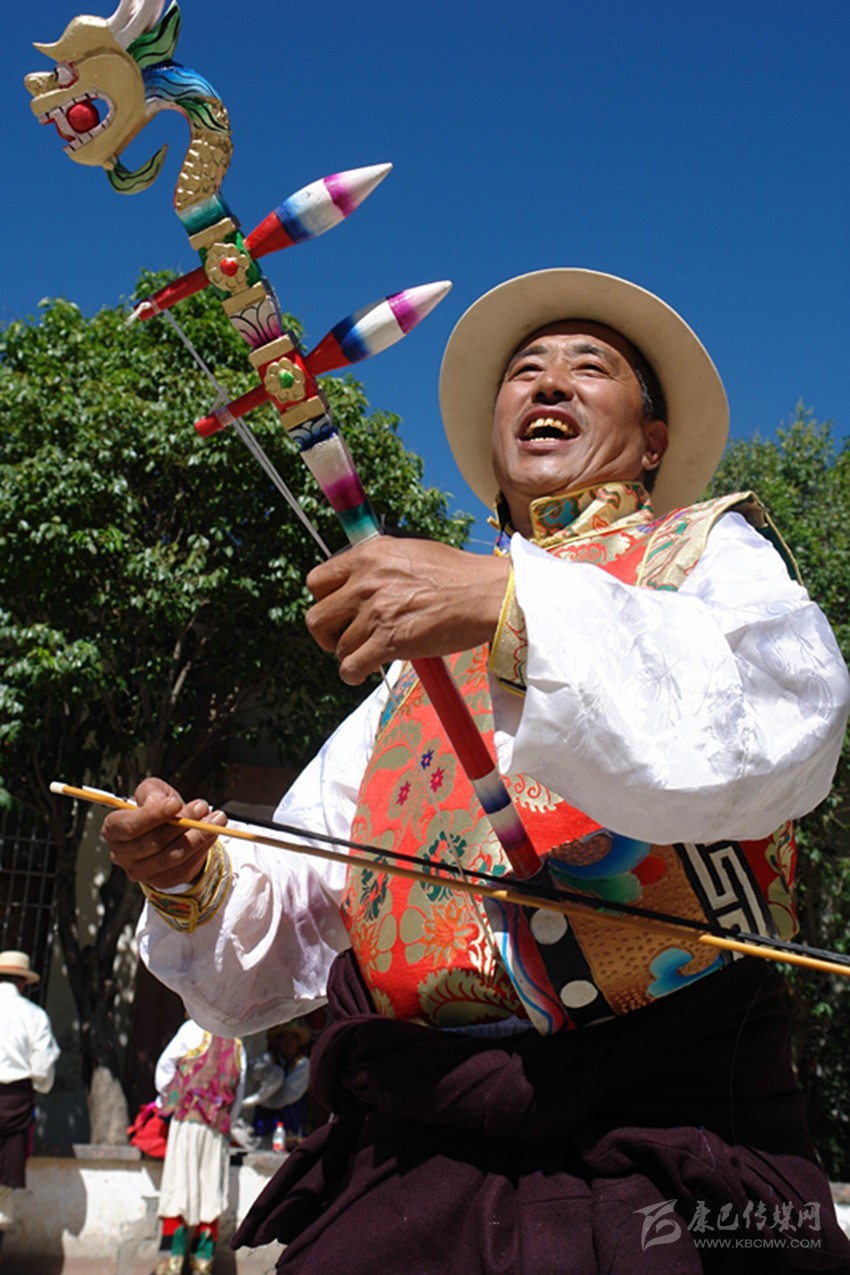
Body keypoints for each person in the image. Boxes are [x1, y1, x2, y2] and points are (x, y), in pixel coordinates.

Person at [103, 269, 850, 1273]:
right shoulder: (418, 659)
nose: (549, 384)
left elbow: (788, 714)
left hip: (666, 1129)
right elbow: (306, 888)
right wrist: (192, 877)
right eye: (525, 371)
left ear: (653, 439)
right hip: (420, 1142)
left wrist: (510, 605)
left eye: (589, 367)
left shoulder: (703, 556)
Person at [153, 1017, 246, 1275]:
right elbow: (238, 1095)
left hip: (187, 1121)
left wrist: (170, 1098)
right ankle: (202, 1265)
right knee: (210, 1194)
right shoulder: (239, 1046)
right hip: (218, 1129)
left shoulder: (191, 1029)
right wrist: (225, 1118)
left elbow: (164, 1068)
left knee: (178, 1187)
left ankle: (170, 1265)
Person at [0, 950, 60, 1263]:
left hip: (14, 1100)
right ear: (23, 983)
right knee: (2, 1189)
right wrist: (38, 1085)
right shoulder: (34, 1015)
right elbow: (42, 1068)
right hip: (13, 1104)